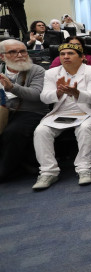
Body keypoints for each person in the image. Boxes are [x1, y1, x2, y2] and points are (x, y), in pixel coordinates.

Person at [32, 42, 91, 190]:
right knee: (41, 131)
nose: (66, 57)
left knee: (84, 128)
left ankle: (84, 169)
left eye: (70, 54)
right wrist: (58, 93)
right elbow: (44, 97)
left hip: (88, 111)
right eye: (62, 54)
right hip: (61, 112)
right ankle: (48, 172)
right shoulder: (51, 73)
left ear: (82, 57)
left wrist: (76, 93)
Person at [0, 40, 48, 182]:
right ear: (2, 56)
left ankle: (3, 172)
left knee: (13, 132)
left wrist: (12, 87)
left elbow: (36, 95)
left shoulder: (37, 70)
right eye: (13, 52)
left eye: (23, 51)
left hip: (31, 111)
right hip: (4, 111)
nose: (20, 55)